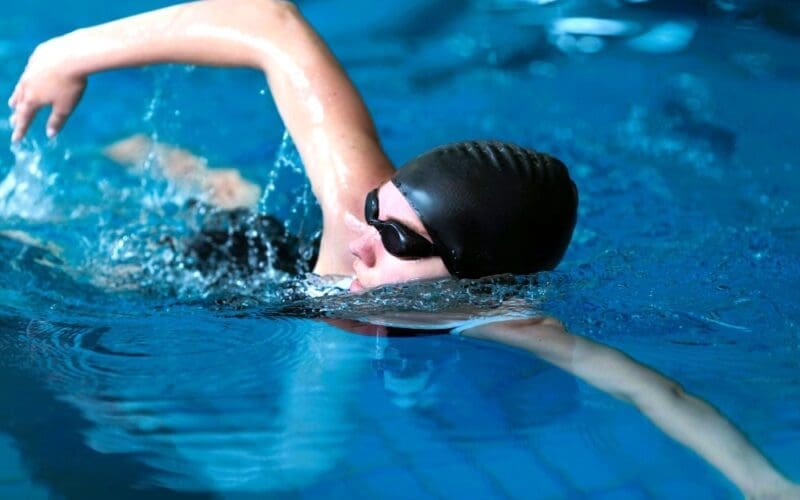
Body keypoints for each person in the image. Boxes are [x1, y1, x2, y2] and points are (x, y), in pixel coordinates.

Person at [7, 1, 799, 496]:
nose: (361, 234)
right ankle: (200, 183)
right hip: (236, 266)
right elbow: (269, 21)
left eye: (393, 237)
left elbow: (655, 394)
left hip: (313, 308)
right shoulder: (358, 211)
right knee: (108, 269)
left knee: (292, 470)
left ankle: (216, 187)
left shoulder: (502, 315)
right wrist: (63, 53)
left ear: (475, 280)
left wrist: (762, 484)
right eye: (377, 208)